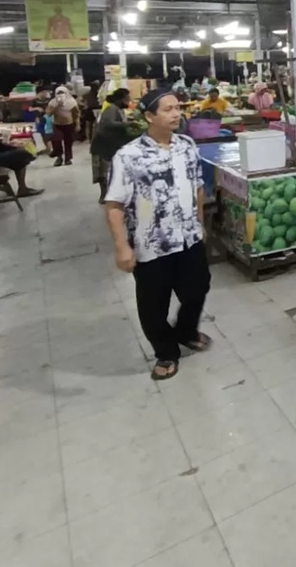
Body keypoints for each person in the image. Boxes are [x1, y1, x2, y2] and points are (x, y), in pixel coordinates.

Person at [104, 88, 211, 381]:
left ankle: (186, 330)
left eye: (178, 108)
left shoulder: (187, 145)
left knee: (198, 288)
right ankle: (165, 352)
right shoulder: (128, 156)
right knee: (153, 305)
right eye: (168, 109)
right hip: (151, 244)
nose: (176, 113)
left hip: (188, 237)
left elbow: (198, 186)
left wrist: (199, 222)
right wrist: (121, 247)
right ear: (149, 116)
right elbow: (114, 204)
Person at [91, 88, 134, 203]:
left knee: (109, 171)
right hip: (103, 145)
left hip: (110, 144)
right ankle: (104, 195)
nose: (128, 102)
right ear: (120, 99)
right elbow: (109, 124)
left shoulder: (118, 109)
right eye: (127, 99)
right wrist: (127, 124)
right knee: (104, 172)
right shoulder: (111, 109)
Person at [46, 85, 79, 166]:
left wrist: (77, 124)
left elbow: (76, 114)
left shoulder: (72, 102)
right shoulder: (52, 102)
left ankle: (68, 159)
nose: (60, 95)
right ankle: (59, 157)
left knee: (68, 142)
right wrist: (57, 106)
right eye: (58, 93)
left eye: (62, 93)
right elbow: (48, 114)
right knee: (56, 140)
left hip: (69, 124)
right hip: (57, 125)